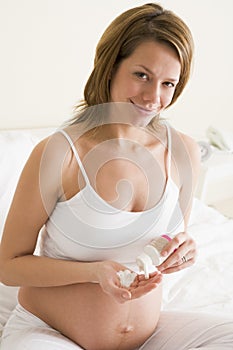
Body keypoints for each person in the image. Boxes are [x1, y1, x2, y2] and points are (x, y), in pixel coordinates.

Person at [0, 3, 232, 350]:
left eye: (168, 83)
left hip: (147, 336)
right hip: (49, 333)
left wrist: (182, 251)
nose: (154, 97)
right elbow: (8, 266)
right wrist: (93, 272)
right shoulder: (61, 154)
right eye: (142, 75)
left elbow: (170, 242)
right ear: (110, 67)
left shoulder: (182, 151)